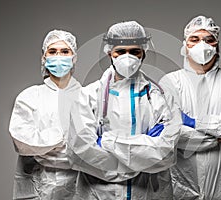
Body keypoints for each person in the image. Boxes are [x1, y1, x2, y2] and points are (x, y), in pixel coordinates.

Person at [67, 21, 181, 199]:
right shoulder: (88, 96)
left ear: (143, 53)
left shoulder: (161, 97)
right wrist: (145, 149)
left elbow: (166, 154)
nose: (127, 58)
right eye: (120, 51)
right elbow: (81, 153)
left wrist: (106, 141)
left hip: (147, 192)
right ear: (109, 53)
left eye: (134, 52)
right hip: (99, 193)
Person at [159, 15, 221, 200]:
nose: (202, 45)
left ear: (217, 45)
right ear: (184, 45)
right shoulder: (170, 82)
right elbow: (171, 134)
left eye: (208, 40)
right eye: (194, 39)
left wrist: (195, 122)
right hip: (182, 183)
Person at [9, 29, 82, 199]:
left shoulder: (89, 97)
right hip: (38, 184)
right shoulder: (30, 97)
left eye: (65, 51)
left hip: (80, 185)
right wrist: (68, 138)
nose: (59, 56)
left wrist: (46, 147)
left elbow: (94, 149)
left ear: (74, 57)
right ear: (44, 57)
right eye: (52, 51)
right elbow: (23, 142)